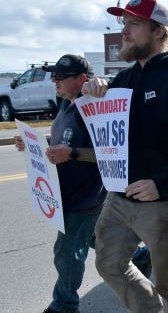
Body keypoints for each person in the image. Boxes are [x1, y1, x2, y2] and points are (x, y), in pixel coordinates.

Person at [81, 0, 168, 312]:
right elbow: (103, 131)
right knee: (109, 263)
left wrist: (161, 184)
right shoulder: (124, 79)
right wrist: (93, 91)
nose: (124, 32)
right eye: (124, 23)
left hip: (162, 201)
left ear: (158, 31)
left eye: (134, 24)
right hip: (119, 197)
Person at [14, 54, 105, 313]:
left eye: (61, 77)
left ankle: (64, 305)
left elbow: (110, 153)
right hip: (66, 192)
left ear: (82, 79)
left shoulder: (96, 109)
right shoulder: (66, 104)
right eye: (54, 75)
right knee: (98, 240)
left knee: (66, 253)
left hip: (85, 197)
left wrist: (72, 153)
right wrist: (34, 143)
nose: (54, 81)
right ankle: (141, 256)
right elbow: (62, 139)